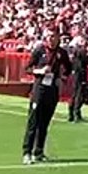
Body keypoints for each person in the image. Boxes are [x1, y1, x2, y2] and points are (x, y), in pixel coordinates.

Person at [22, 31, 72, 165]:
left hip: (52, 90)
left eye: (54, 37)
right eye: (49, 36)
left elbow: (68, 68)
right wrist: (39, 71)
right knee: (33, 122)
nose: (52, 39)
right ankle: (27, 152)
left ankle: (39, 151)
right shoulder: (39, 50)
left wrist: (63, 77)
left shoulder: (62, 53)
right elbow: (27, 68)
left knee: (45, 123)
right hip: (39, 89)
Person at [68, 38, 88, 122]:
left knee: (75, 93)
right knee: (79, 94)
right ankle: (75, 113)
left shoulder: (76, 51)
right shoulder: (80, 51)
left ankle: (72, 112)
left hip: (77, 73)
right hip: (80, 74)